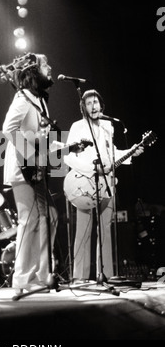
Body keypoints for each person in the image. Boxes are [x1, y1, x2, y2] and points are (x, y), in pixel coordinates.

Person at [63, 89, 144, 284]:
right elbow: (67, 156)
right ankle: (80, 277)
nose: (93, 106)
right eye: (89, 103)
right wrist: (92, 169)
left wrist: (131, 152)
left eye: (96, 102)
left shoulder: (108, 126)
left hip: (106, 184)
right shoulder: (77, 126)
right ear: (83, 107)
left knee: (106, 230)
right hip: (85, 183)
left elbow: (112, 153)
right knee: (83, 230)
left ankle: (106, 275)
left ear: (101, 105)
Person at [2, 53, 59, 295]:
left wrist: (65, 147)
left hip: (36, 169)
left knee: (51, 217)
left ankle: (41, 274)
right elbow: (8, 129)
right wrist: (31, 158)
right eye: (46, 64)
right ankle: (23, 278)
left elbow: (40, 138)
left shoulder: (39, 100)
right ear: (33, 71)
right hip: (23, 169)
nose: (50, 67)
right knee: (30, 220)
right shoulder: (23, 98)